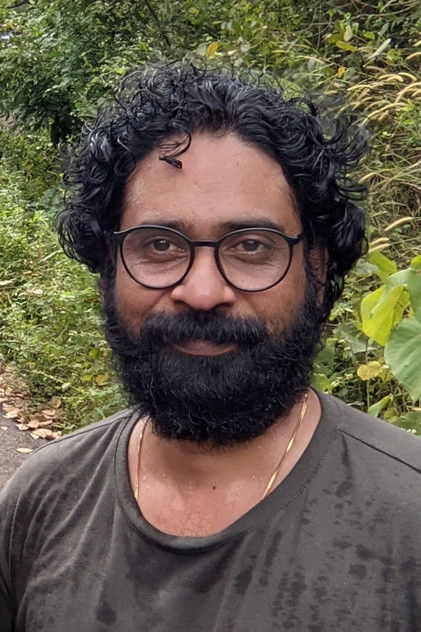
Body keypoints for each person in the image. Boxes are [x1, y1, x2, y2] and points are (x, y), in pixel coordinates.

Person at [0, 62, 419, 632]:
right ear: (107, 270)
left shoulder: (409, 515)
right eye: (159, 245)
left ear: (317, 269)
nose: (201, 292)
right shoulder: (41, 500)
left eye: (251, 246)